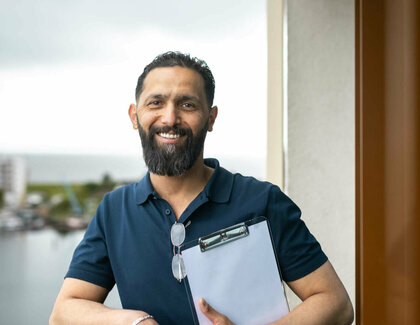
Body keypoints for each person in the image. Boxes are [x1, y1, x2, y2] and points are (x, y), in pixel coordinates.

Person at [50, 51, 354, 325]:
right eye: (156, 103)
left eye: (187, 104)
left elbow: (336, 304)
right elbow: (64, 312)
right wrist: (134, 322)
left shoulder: (263, 202)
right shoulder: (114, 212)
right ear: (135, 116)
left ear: (210, 118)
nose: (170, 118)